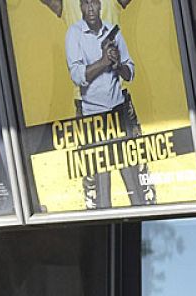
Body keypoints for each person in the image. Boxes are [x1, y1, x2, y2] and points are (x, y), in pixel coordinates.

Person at [65, 0, 148, 207]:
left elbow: (130, 73)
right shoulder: (74, 34)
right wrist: (103, 62)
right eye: (85, 4)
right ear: (80, 7)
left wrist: (117, 64)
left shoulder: (113, 31)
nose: (90, 8)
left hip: (119, 109)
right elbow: (77, 76)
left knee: (134, 177)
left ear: (100, 4)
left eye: (94, 2)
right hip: (92, 115)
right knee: (100, 187)